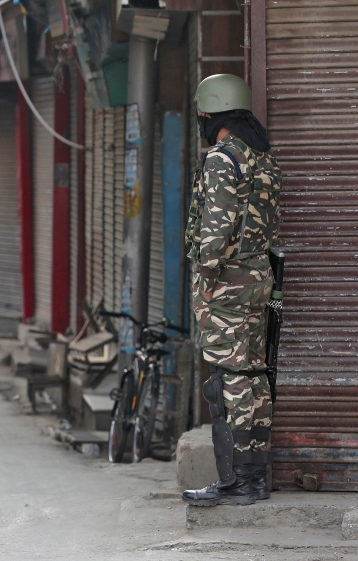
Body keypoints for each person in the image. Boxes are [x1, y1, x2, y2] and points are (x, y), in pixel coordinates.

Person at [182, 74, 281, 507]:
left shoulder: (223, 158)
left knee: (229, 383)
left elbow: (214, 233)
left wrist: (205, 277)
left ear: (210, 112)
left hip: (227, 285)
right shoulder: (260, 157)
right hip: (257, 279)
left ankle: (236, 482)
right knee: (253, 375)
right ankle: (254, 479)